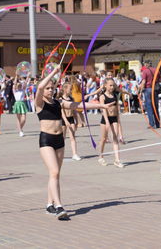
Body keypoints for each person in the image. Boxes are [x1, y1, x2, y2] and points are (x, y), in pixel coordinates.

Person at [35, 66, 114, 219]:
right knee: (54, 172)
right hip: (46, 140)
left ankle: (49, 204)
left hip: (59, 140)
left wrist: (100, 105)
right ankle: (59, 206)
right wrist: (54, 72)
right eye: (48, 88)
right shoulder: (39, 103)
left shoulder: (58, 103)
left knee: (55, 174)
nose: (50, 90)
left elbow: (78, 106)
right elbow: (39, 86)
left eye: (52, 88)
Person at [98, 78, 125, 168]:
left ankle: (117, 160)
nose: (112, 87)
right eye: (110, 85)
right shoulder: (102, 96)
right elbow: (103, 110)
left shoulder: (115, 95)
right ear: (105, 85)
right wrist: (106, 122)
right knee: (104, 139)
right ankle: (101, 156)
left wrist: (118, 120)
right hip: (106, 119)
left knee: (115, 138)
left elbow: (117, 110)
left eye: (113, 85)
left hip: (114, 118)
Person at [59, 82, 81, 161]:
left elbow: (74, 110)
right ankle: (60, 153)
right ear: (65, 89)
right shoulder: (61, 99)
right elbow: (61, 111)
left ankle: (74, 154)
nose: (71, 90)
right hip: (64, 120)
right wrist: (65, 121)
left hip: (71, 118)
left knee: (73, 137)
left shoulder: (72, 99)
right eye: (70, 89)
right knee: (63, 137)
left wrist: (77, 121)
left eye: (72, 89)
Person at [139, 60, 160, 129]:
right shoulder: (156, 70)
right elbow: (160, 79)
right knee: (155, 106)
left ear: (146, 64)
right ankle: (157, 123)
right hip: (155, 89)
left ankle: (152, 124)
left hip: (148, 89)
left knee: (149, 107)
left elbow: (144, 81)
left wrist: (140, 91)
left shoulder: (145, 71)